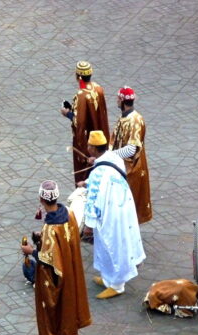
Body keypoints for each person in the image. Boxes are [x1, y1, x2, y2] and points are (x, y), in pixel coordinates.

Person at [21, 180, 91, 335]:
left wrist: (32, 251)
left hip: (55, 278)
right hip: (71, 269)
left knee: (57, 310)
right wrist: (42, 236)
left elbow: (50, 260)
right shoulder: (67, 213)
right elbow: (66, 240)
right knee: (67, 307)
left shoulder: (52, 228)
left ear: (41, 199)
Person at [78, 130, 146, 299]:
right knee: (111, 244)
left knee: (112, 245)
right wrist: (89, 180)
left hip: (110, 214)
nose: (87, 148)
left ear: (94, 149)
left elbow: (94, 198)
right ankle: (109, 278)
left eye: (89, 145)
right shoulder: (113, 158)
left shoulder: (98, 172)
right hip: (122, 206)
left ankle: (117, 285)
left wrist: (88, 225)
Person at [61, 61, 110, 183]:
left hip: (89, 141)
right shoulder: (99, 88)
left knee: (85, 175)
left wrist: (67, 113)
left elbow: (79, 123)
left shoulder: (81, 95)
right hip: (101, 136)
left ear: (79, 77)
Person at [110, 86, 152, 224]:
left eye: (118, 99)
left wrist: (110, 156)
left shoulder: (136, 120)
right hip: (120, 164)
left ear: (122, 101)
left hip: (131, 167)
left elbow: (131, 149)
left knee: (129, 202)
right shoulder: (123, 118)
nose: (116, 101)